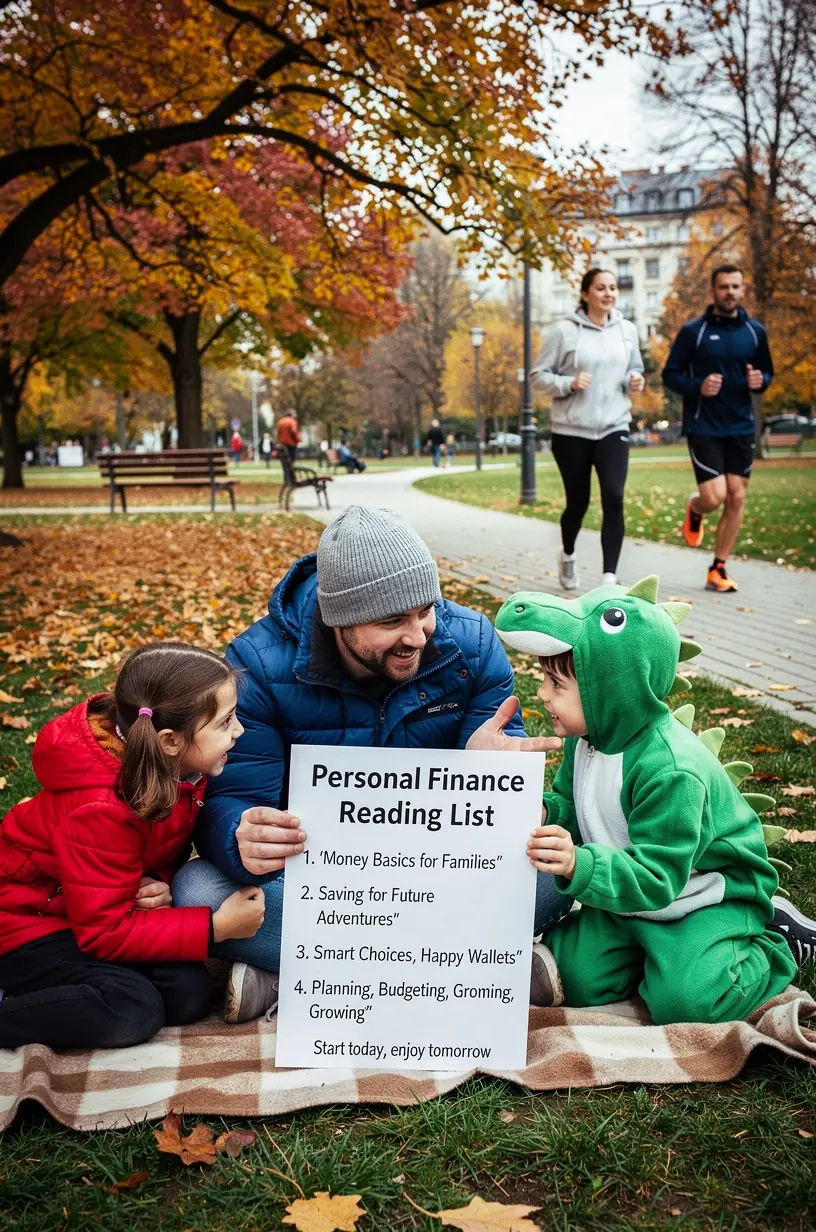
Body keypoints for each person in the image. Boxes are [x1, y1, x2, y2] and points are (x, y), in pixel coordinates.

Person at [173, 506, 568, 1022]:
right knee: (196, 892)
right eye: (391, 622)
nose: (418, 636)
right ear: (338, 619)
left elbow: (509, 805)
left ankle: (300, 975)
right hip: (326, 883)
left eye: (425, 610)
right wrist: (240, 834)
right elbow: (232, 797)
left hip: (447, 869)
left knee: (556, 873)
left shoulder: (469, 644)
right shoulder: (259, 665)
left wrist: (497, 784)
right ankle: (486, 969)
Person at [495, 577, 810, 1023]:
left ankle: (771, 941)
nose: (543, 694)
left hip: (699, 895)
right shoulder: (587, 739)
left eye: (556, 683)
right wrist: (547, 811)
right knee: (578, 979)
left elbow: (660, 876)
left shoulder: (670, 770)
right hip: (629, 896)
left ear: (611, 688)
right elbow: (575, 809)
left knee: (685, 1002)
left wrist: (577, 865)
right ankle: (654, 957)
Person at [0, 643, 265, 1051]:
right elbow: (104, 932)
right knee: (132, 1010)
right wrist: (216, 928)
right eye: (225, 721)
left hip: (84, 911)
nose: (239, 730)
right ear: (171, 740)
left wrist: (155, 881)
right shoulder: (100, 810)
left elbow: (138, 859)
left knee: (187, 992)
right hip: (24, 923)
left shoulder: (176, 770)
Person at [663, 264, 773, 594]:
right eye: (724, 286)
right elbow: (670, 375)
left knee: (737, 497)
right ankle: (695, 508)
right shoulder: (693, 332)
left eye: (735, 286)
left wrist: (761, 381)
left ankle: (718, 567)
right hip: (704, 424)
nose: (730, 292)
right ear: (713, 292)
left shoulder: (755, 332)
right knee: (715, 496)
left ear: (743, 289)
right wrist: (698, 385)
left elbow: (766, 373)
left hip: (740, 425)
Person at [533, 268, 645, 590]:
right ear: (585, 294)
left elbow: (634, 368)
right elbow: (538, 376)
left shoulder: (627, 330)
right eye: (601, 288)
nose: (608, 293)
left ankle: (609, 578)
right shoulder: (563, 332)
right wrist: (568, 383)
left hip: (614, 426)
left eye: (612, 288)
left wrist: (634, 380)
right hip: (571, 431)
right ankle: (567, 554)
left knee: (614, 495)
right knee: (578, 502)